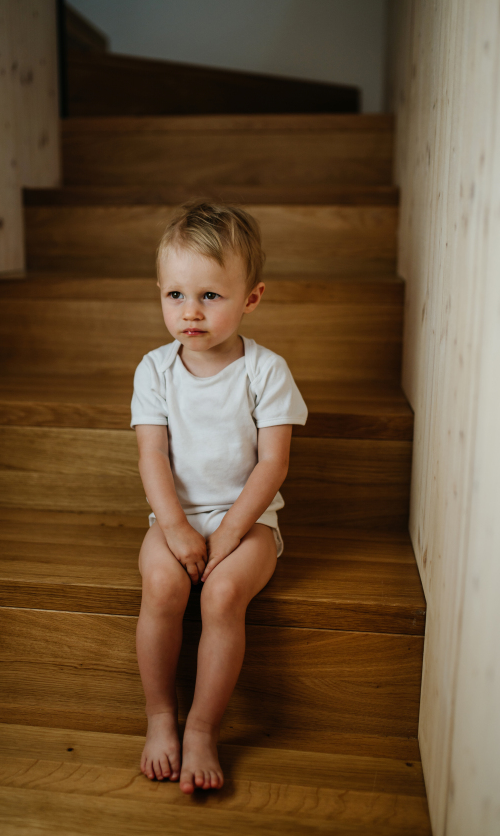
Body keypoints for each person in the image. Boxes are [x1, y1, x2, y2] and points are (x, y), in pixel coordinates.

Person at [130, 201, 308, 794]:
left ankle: (204, 727)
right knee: (161, 585)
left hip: (249, 522)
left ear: (250, 298)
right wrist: (176, 529)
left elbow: (273, 462)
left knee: (224, 594)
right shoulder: (154, 370)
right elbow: (152, 455)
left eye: (210, 296)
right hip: (175, 516)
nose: (190, 312)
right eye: (175, 295)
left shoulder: (266, 370)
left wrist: (230, 532)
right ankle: (161, 717)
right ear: (159, 294)